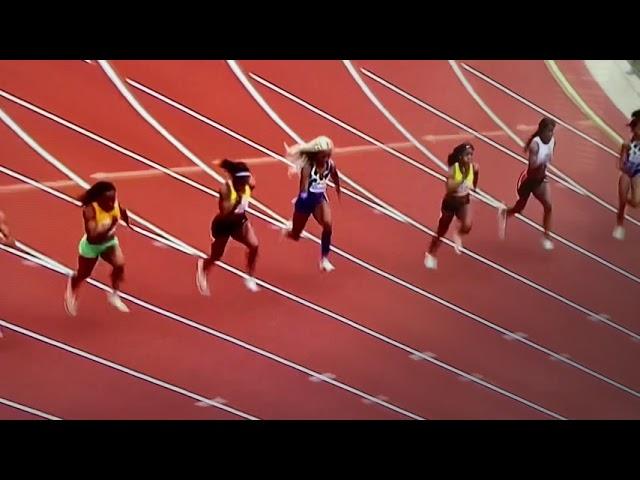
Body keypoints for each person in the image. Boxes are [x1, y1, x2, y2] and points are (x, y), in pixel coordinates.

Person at [64, 181, 130, 316]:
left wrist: (127, 220)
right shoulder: (90, 210)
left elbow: (121, 211)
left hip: (109, 243)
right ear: (99, 199)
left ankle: (114, 295)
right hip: (91, 247)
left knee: (119, 265)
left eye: (113, 199)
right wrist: (110, 225)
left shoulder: (114, 204)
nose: (112, 203)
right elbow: (92, 235)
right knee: (84, 274)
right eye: (108, 201)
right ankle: (72, 286)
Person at [196, 159, 259, 295]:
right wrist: (237, 200)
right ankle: (203, 267)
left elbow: (251, 181)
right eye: (242, 181)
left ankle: (249, 275)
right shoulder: (226, 189)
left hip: (239, 221)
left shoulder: (249, 182)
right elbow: (225, 212)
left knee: (254, 245)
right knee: (216, 256)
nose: (245, 183)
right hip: (223, 225)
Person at [284, 136, 341, 272]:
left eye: (328, 155)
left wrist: (338, 190)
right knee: (295, 235)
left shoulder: (330, 165)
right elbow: (303, 187)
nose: (326, 158)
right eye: (323, 156)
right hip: (305, 201)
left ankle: (324, 259)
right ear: (316, 155)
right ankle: (290, 229)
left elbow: (335, 177)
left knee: (328, 225)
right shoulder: (308, 167)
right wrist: (302, 201)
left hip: (319, 199)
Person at [498, 117, 557, 250]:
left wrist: (547, 160)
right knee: (519, 208)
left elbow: (550, 158)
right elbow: (533, 164)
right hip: (528, 180)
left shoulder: (553, 141)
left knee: (548, 206)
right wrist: (544, 159)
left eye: (552, 131)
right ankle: (505, 212)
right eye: (548, 131)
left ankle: (546, 237)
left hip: (541, 179)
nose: (551, 134)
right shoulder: (535, 145)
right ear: (542, 131)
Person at [424, 142, 479, 269]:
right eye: (467, 155)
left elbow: (474, 183)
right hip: (450, 203)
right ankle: (431, 253)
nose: (470, 157)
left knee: (467, 225)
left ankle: (458, 234)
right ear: (460, 157)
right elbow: (449, 188)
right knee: (441, 231)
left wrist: (473, 185)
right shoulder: (454, 170)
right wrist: (461, 179)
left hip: (463, 201)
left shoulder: (474, 167)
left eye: (471, 154)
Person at [613, 114, 640, 240]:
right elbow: (620, 163)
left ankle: (629, 201)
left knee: (635, 202)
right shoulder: (627, 144)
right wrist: (624, 163)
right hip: (626, 173)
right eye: (639, 129)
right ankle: (619, 225)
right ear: (633, 130)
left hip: (637, 175)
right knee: (622, 201)